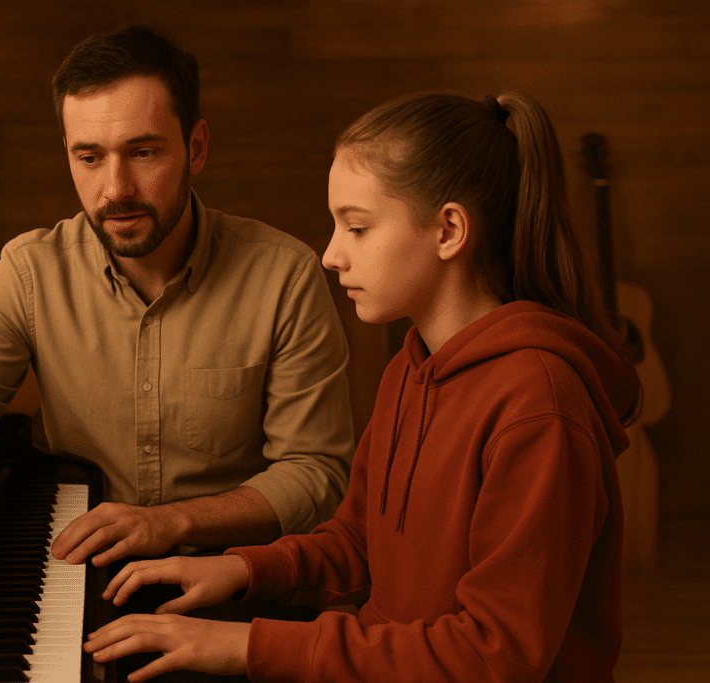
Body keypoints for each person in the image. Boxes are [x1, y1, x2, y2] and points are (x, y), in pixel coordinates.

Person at [82, 90, 640, 683]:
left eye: (357, 227)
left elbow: (492, 654)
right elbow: (358, 542)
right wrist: (239, 569)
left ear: (449, 230)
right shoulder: (412, 366)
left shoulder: (539, 406)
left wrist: (246, 646)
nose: (330, 255)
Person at [0, 24, 355, 567]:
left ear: (196, 147)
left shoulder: (285, 275)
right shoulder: (29, 271)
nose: (115, 190)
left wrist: (170, 523)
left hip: (237, 587)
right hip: (82, 578)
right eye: (89, 158)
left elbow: (316, 473)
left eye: (142, 153)